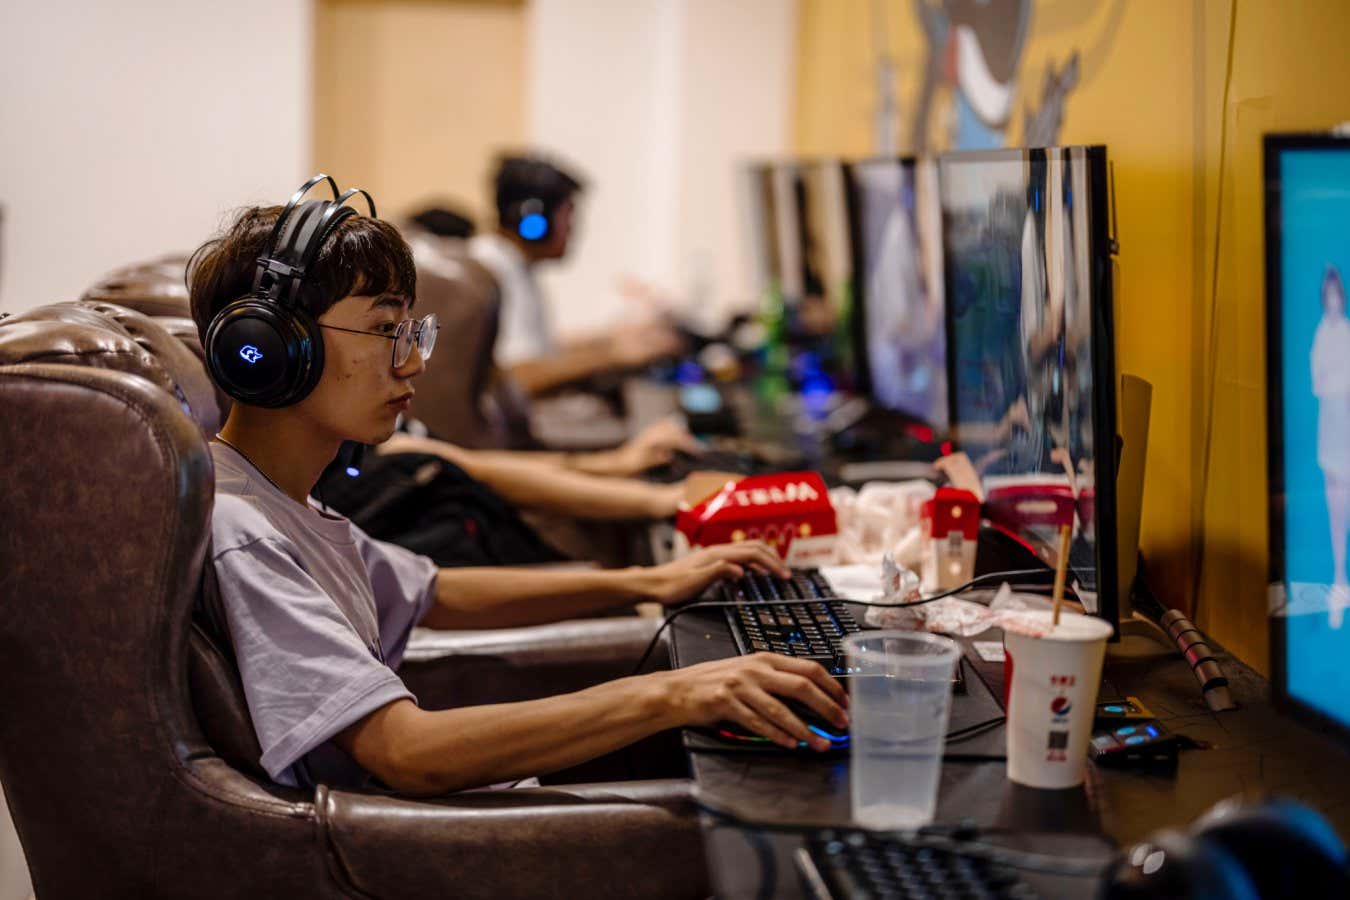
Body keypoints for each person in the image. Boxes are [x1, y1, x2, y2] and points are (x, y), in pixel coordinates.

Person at [188, 194, 847, 795]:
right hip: (404, 849)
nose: (413, 363)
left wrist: (644, 582)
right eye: (385, 330)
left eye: (412, 334)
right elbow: (404, 751)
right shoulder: (244, 533)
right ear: (270, 349)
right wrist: (673, 694)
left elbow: (431, 590)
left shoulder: (280, 499)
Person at [467, 154, 684, 397]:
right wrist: (612, 355)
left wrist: (608, 338)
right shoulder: (491, 270)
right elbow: (518, 377)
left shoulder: (510, 262)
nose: (573, 229)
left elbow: (535, 350)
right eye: (568, 216)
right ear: (534, 221)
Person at [1312, 264, 1350, 629]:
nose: (1334, 300)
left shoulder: (1346, 334)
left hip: (1346, 429)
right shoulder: (1322, 335)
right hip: (1330, 431)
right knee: (1335, 509)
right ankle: (1340, 578)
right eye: (1330, 294)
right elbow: (1319, 383)